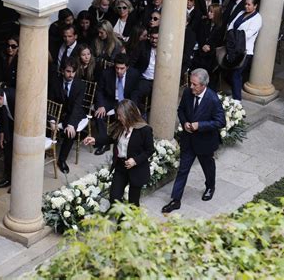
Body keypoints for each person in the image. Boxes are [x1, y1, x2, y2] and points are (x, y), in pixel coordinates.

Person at [162, 68, 225, 213]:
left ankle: (210, 186)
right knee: (183, 170)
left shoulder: (213, 99)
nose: (191, 87)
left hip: (205, 142)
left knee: (207, 167)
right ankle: (176, 200)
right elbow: (181, 110)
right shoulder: (187, 93)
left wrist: (200, 125)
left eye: (194, 84)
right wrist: (184, 123)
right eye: (191, 83)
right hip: (189, 140)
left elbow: (221, 122)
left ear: (203, 85)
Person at [84, 99, 154, 207]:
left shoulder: (145, 130)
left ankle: (129, 222)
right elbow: (110, 138)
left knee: (133, 204)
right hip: (121, 166)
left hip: (136, 169)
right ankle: (121, 220)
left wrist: (135, 160)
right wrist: (95, 140)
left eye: (121, 115)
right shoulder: (120, 126)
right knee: (114, 198)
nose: (118, 118)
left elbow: (149, 150)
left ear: (129, 115)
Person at [93, 53, 140, 155]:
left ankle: (127, 142)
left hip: (125, 101)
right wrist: (101, 105)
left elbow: (135, 92)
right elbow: (99, 91)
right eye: (117, 68)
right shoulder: (106, 73)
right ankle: (104, 143)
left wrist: (132, 106)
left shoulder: (134, 74)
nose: (119, 71)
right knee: (98, 114)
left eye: (122, 68)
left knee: (131, 115)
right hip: (110, 100)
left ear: (127, 67)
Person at [48, 57, 86, 174]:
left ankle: (61, 160)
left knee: (70, 132)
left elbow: (77, 107)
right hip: (57, 112)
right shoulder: (55, 82)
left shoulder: (80, 85)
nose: (71, 74)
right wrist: (52, 120)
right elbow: (50, 102)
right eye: (68, 71)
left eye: (73, 72)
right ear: (62, 70)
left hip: (73, 113)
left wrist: (71, 124)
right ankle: (45, 151)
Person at [227, 0, 262, 101]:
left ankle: (237, 100)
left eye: (249, 5)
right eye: (245, 4)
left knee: (237, 74)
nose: (246, 6)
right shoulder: (241, 13)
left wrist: (233, 34)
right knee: (231, 72)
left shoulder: (257, 18)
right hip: (232, 48)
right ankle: (234, 95)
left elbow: (247, 35)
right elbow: (231, 26)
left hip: (245, 50)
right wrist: (233, 34)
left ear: (255, 6)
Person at [192, 4, 225, 90]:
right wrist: (203, 45)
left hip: (212, 53)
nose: (209, 13)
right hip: (201, 50)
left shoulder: (221, 26)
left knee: (210, 69)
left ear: (217, 14)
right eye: (209, 11)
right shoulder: (204, 22)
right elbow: (199, 35)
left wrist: (210, 47)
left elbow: (219, 41)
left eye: (211, 12)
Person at [129, 26, 159, 113]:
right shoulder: (143, 45)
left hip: (160, 80)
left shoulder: (166, 47)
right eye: (152, 37)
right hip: (144, 78)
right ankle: (134, 115)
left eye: (156, 38)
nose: (154, 40)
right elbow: (132, 61)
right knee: (135, 93)